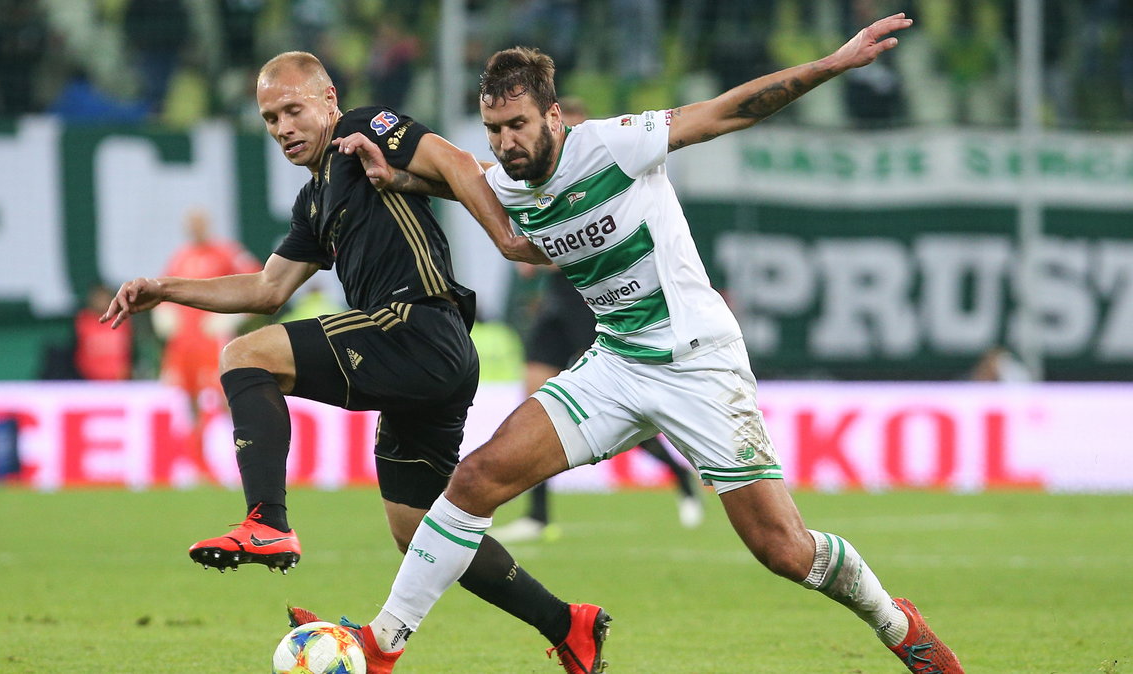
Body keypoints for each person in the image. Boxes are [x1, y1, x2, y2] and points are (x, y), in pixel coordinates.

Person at [317, 12, 964, 674]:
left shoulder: (613, 145)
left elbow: (726, 113)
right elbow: (467, 182)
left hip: (697, 361)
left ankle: (895, 622)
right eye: (494, 130)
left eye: (518, 126)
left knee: (784, 551)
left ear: (553, 119)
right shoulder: (509, 180)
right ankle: (382, 643)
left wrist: (832, 63)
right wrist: (398, 178)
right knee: (475, 480)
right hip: (617, 362)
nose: (507, 143)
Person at [100, 50, 609, 672]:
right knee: (420, 531)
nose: (283, 127)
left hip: (416, 324)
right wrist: (165, 288)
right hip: (428, 358)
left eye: (293, 109)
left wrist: (506, 238)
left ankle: (267, 520)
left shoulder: (363, 130)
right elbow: (266, 290)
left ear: (329, 100)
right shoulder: (315, 202)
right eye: (269, 118)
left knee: (244, 354)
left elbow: (451, 161)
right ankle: (569, 625)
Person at [491, 95, 702, 545]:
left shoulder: (614, 173)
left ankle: (678, 474)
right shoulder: (540, 182)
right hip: (554, 308)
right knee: (533, 400)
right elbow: (532, 249)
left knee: (626, 408)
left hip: (597, 307)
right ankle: (540, 515)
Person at [153, 207, 261, 470]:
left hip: (213, 341)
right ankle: (198, 462)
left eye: (199, 222)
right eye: (191, 223)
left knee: (226, 397)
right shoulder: (180, 258)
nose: (195, 228)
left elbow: (260, 282)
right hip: (184, 344)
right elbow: (164, 290)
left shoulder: (227, 252)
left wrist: (234, 315)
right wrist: (163, 310)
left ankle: (248, 456)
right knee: (188, 401)